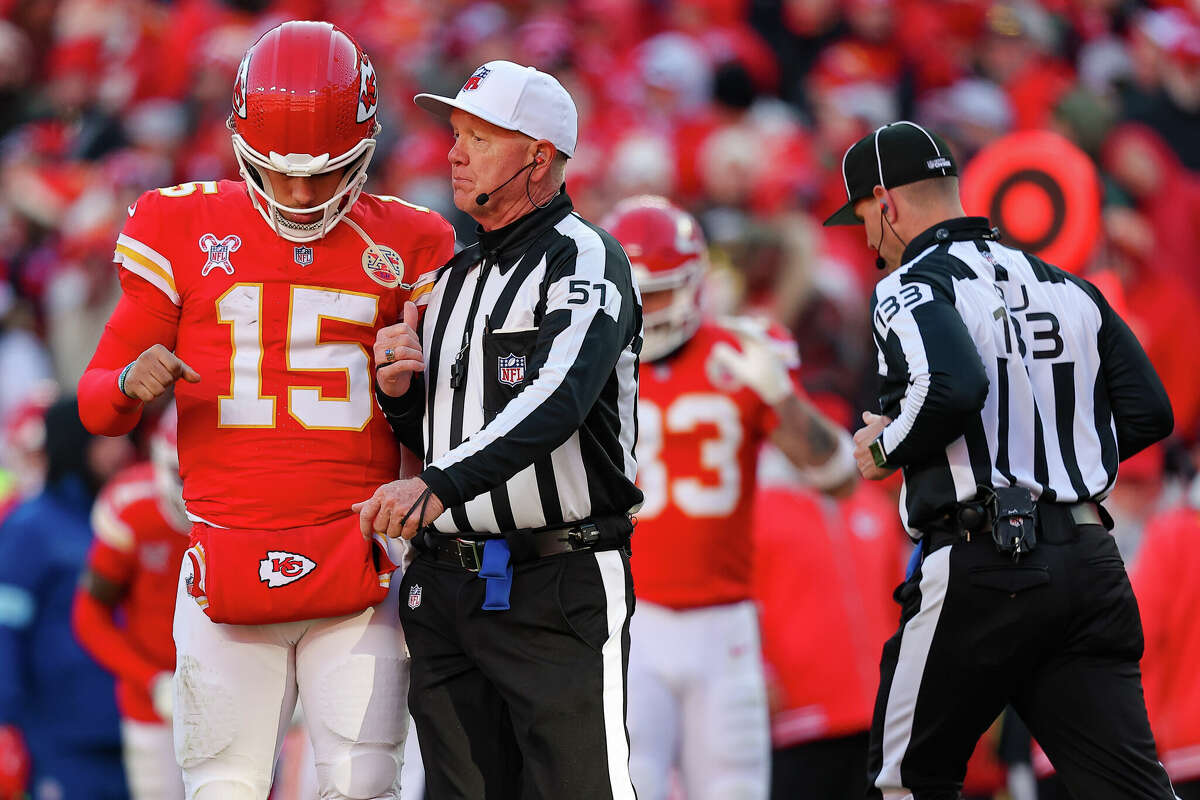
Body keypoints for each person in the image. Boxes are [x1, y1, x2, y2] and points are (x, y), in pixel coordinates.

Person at [76, 21, 455, 800]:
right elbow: (96, 410)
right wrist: (126, 384)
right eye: (280, 173)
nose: (302, 192)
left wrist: (411, 386)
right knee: (222, 787)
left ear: (368, 145)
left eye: (327, 172)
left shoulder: (412, 240)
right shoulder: (177, 224)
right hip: (226, 559)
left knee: (362, 784)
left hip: (360, 561)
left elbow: (443, 425)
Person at [824, 120, 1178, 799]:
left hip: (985, 564)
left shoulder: (909, 285)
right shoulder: (1067, 284)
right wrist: (1059, 461)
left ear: (887, 202)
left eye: (865, 216)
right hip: (1090, 563)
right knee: (1127, 789)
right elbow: (1148, 414)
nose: (867, 237)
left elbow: (955, 387)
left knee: (904, 781)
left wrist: (885, 448)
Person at [355, 60, 642, 799]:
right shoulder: (452, 278)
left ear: (538, 158)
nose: (454, 153)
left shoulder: (584, 256)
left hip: (557, 580)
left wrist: (439, 485)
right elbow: (446, 430)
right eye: (457, 135)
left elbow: (559, 398)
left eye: (480, 138)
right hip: (449, 582)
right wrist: (398, 395)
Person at [599, 194, 857, 800]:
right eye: (632, 292)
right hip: (629, 620)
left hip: (726, 623)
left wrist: (780, 396)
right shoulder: (585, 365)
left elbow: (839, 477)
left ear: (693, 283)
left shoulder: (742, 353)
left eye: (658, 291)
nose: (645, 308)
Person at [0, 397, 134, 800]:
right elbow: (5, 632)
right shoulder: (30, 527)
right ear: (75, 443)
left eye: (125, 438)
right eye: (107, 441)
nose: (122, 451)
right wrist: (7, 721)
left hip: (134, 724)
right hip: (60, 738)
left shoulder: (127, 517)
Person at [72, 403, 190, 800]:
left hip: (239, 691)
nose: (190, 491)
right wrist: (150, 679)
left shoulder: (255, 501)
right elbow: (89, 614)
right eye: (182, 474)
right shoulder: (133, 506)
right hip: (154, 707)